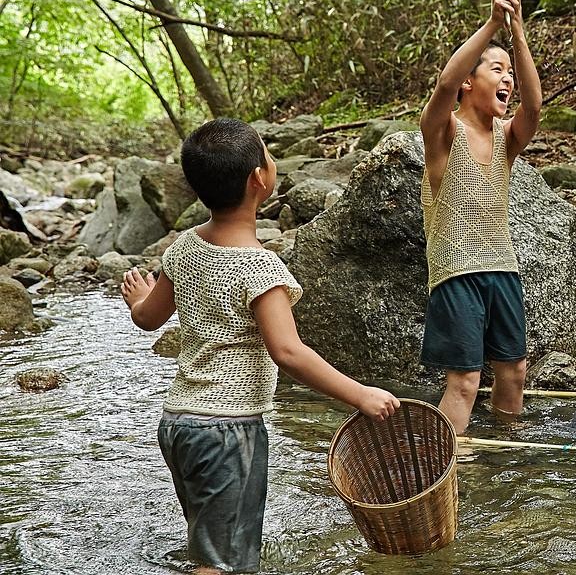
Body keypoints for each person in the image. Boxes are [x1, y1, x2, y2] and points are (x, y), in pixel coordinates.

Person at [120, 118, 399, 574]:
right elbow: (288, 352)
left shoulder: (184, 247)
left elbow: (148, 318)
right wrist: (361, 394)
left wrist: (136, 300)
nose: (272, 161)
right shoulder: (260, 269)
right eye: (268, 154)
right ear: (259, 180)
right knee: (221, 563)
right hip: (229, 431)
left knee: (212, 545)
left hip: (178, 426)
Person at [418, 0, 542, 434]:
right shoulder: (443, 132)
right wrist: (492, 22)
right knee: (467, 380)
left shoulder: (507, 138)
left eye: (510, 72)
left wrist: (519, 36)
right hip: (456, 272)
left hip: (502, 269)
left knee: (514, 371)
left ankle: (501, 461)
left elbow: (535, 109)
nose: (507, 79)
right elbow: (445, 82)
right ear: (472, 80)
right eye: (496, 69)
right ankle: (452, 466)